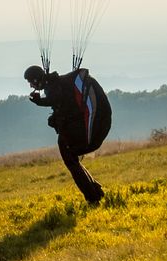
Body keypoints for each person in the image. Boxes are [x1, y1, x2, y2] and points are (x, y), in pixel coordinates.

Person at [26, 64, 111, 205]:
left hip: (78, 130)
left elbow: (56, 99)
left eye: (30, 82)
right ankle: (95, 191)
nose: (30, 86)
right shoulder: (55, 83)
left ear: (36, 80)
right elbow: (61, 102)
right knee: (72, 160)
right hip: (78, 128)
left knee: (70, 160)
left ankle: (93, 197)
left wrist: (39, 101)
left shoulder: (53, 86)